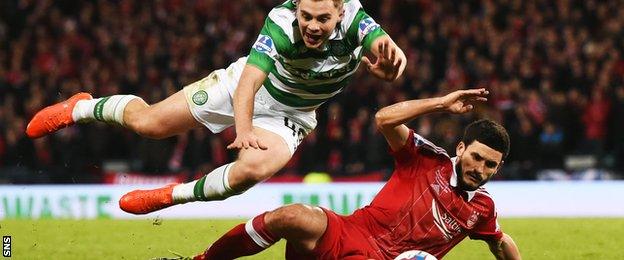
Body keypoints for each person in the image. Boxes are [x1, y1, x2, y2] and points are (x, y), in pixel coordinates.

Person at [24, 0, 406, 214]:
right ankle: (80, 108)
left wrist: (392, 70)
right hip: (244, 89)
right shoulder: (281, 21)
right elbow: (249, 81)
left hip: (291, 115)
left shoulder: (356, 21)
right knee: (151, 124)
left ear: (340, 13)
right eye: (307, 16)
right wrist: (243, 130)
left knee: (251, 171)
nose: (313, 26)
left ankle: (173, 195)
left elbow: (393, 55)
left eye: (324, 18)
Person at [185, 89, 521, 260]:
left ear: (498, 167)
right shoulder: (426, 158)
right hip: (354, 231)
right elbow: (384, 118)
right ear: (461, 149)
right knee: (291, 216)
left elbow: (501, 241)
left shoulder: (482, 210)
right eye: (477, 157)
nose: (480, 169)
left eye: (490, 165)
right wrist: (440, 104)